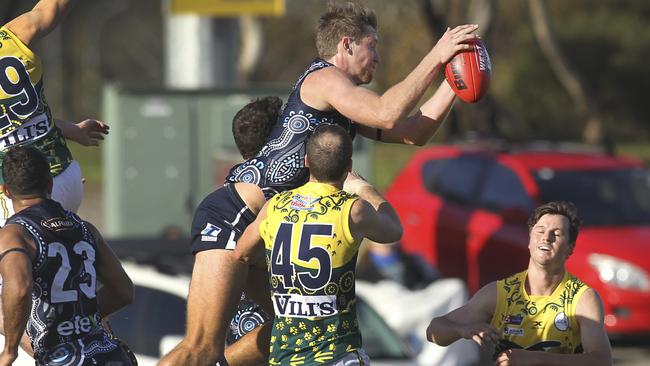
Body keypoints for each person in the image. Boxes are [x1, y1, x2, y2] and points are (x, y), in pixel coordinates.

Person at [163, 1, 479, 363]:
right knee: (201, 345)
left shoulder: (344, 102)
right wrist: (437, 55)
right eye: (372, 46)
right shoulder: (325, 79)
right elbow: (388, 113)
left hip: (275, 229)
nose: (377, 56)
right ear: (346, 45)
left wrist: (457, 80)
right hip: (235, 217)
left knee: (295, 327)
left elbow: (414, 132)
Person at [234, 124, 403, 365]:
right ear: (349, 166)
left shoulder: (276, 206)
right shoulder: (353, 210)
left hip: (286, 357)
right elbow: (394, 229)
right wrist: (363, 188)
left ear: (306, 161)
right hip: (336, 355)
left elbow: (242, 253)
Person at [158, 96, 282, 366]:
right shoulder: (269, 184)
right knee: (200, 350)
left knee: (299, 323)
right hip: (250, 331)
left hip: (250, 333)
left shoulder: (241, 178)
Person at [425, 201, 613, 366]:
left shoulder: (582, 298)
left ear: (570, 248)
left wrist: (533, 359)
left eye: (556, 234)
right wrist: (463, 329)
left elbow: (601, 360)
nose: (546, 237)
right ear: (530, 240)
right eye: (540, 231)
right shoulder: (500, 293)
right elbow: (434, 330)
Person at [0, 146, 135, 366]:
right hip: (109, 356)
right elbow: (124, 292)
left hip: (63, 360)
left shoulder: (14, 235)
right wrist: (82, 319)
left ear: (6, 191)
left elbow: (20, 287)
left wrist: (9, 351)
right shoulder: (85, 229)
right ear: (50, 184)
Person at [0, 0, 110, 226]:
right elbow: (53, 6)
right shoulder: (11, 37)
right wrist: (72, 130)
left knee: (18, 259)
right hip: (64, 175)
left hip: (18, 195)